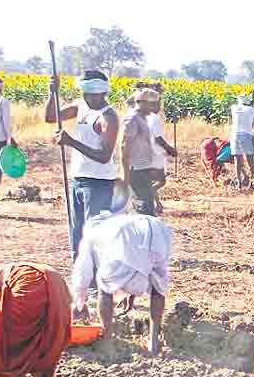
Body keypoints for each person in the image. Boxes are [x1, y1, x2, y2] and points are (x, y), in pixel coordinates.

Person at [70, 197, 173, 353]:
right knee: (158, 287)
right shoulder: (118, 221)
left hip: (125, 236)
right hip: (158, 229)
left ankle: (106, 340)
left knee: (104, 289)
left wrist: (79, 303)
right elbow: (140, 260)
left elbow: (82, 272)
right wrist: (130, 294)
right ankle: (153, 340)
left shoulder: (92, 232)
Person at [47, 70, 120, 257]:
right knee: (77, 231)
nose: (85, 97)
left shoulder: (108, 117)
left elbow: (104, 156)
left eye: (89, 94)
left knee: (94, 233)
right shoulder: (81, 106)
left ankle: (98, 281)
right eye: (84, 93)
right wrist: (52, 93)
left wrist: (72, 142)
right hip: (78, 178)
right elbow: (50, 117)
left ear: (102, 93)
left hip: (98, 182)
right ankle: (81, 277)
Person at [122, 89, 162, 216]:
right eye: (154, 103)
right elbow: (124, 146)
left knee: (146, 207)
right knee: (143, 210)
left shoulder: (142, 119)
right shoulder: (132, 119)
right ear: (144, 103)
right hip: (136, 171)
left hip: (143, 169)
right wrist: (126, 175)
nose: (156, 107)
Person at [230, 95, 254, 187]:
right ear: (249, 102)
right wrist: (253, 107)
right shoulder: (252, 110)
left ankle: (239, 183)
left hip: (235, 135)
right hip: (247, 135)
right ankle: (251, 183)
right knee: (250, 160)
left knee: (238, 160)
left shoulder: (234, 108)